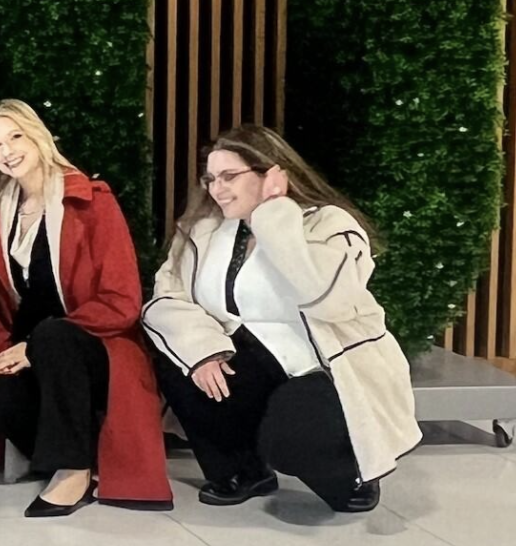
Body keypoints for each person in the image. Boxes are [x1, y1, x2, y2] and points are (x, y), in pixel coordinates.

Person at [143, 124, 419, 513]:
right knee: (178, 360)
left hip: (322, 368)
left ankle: (351, 473)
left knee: (292, 440)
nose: (217, 189)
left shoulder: (329, 224)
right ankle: (243, 470)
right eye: (210, 179)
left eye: (229, 176)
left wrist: (274, 215)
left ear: (271, 173)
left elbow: (326, 300)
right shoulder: (202, 231)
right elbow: (168, 297)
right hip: (249, 358)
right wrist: (202, 350)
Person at [0, 101, 171, 516]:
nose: (7, 151)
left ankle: (72, 471)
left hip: (97, 344)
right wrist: (6, 353)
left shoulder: (92, 201)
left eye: (16, 136)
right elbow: (0, 311)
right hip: (35, 349)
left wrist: (33, 348)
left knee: (53, 335)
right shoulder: (0, 216)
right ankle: (87, 456)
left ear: (39, 138)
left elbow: (122, 301)